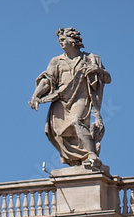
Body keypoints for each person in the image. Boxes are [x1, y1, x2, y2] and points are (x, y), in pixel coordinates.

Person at [29, 28, 110, 168]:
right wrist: (35, 96)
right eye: (59, 41)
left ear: (72, 41)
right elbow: (47, 80)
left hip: (81, 97)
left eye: (63, 40)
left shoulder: (91, 58)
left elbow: (107, 78)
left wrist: (97, 70)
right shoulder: (56, 61)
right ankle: (75, 160)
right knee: (57, 132)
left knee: (76, 121)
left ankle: (91, 154)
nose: (61, 43)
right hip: (61, 99)